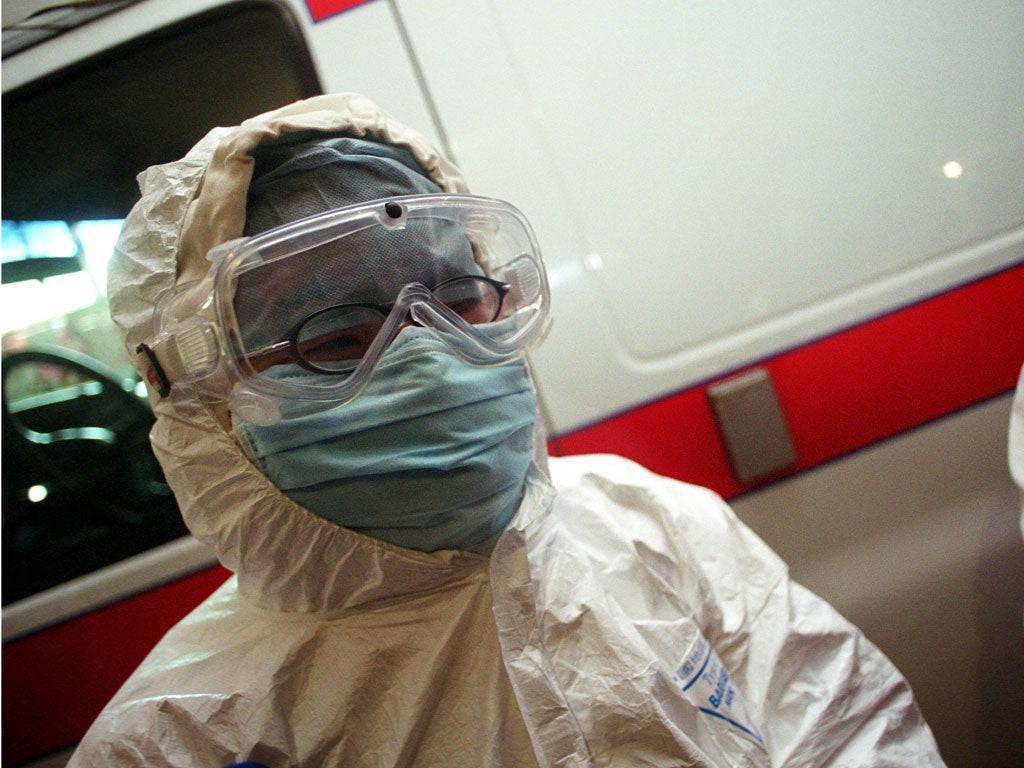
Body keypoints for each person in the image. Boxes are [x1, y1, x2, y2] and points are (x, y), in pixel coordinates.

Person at [69, 93, 945, 767]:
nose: (429, 359)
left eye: (458, 301)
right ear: (199, 403)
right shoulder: (184, 736)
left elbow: (843, 725)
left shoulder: (649, 522)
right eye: (335, 339)